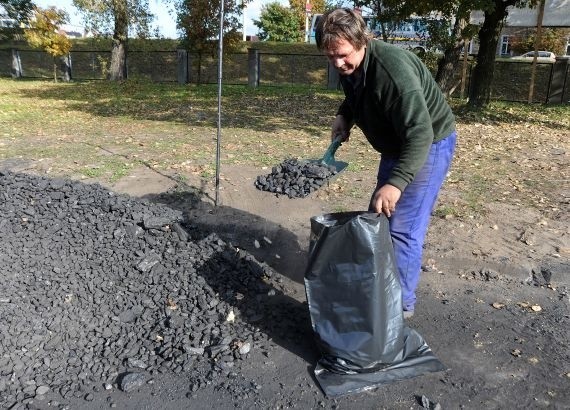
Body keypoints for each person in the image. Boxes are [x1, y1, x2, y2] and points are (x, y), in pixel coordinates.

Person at [316, 8, 457, 318]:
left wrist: (396, 182)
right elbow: (357, 89)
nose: (337, 63)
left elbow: (420, 134)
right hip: (396, 144)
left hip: (426, 144)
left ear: (361, 40)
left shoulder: (393, 72)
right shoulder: (353, 66)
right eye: (329, 57)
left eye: (341, 55)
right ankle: (377, 288)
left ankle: (399, 309)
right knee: (379, 218)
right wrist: (345, 115)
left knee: (402, 229)